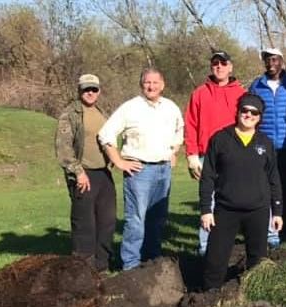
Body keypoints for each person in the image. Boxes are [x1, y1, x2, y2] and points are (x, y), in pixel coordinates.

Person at [99, 68, 184, 271]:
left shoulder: (171, 107)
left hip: (163, 171)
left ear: (162, 85)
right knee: (136, 220)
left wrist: (172, 151)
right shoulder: (130, 108)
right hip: (139, 172)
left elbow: (179, 133)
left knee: (157, 219)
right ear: (141, 84)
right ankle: (130, 265)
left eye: (155, 82)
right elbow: (106, 134)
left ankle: (152, 260)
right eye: (147, 82)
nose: (151, 86)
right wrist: (119, 161)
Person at [200, 94, 284, 290]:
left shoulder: (265, 142)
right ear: (238, 112)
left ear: (260, 117)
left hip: (258, 210)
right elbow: (208, 177)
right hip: (226, 209)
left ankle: (255, 296)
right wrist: (206, 209)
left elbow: (274, 179)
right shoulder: (220, 139)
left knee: (257, 259)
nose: (248, 115)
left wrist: (277, 211)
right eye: (244, 110)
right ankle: (209, 296)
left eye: (254, 112)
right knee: (215, 259)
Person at [185, 51, 246, 256]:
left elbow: (248, 124)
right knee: (208, 203)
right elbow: (191, 125)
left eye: (223, 63)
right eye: (215, 63)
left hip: (234, 156)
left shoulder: (241, 93)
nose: (218, 66)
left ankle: (237, 243)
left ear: (230, 67)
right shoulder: (200, 93)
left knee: (236, 199)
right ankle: (206, 248)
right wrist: (191, 155)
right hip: (206, 156)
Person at [55, 74, 116, 273]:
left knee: (107, 222)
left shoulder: (101, 112)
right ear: (79, 90)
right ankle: (83, 270)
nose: (90, 93)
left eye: (94, 89)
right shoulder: (70, 114)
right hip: (83, 174)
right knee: (84, 225)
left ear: (99, 91)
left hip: (104, 174)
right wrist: (78, 172)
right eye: (86, 89)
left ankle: (102, 266)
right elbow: (64, 149)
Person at [249, 48, 286, 247]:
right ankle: (265, 227)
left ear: (281, 62)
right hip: (264, 146)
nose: (271, 63)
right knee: (264, 188)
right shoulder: (256, 86)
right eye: (268, 60)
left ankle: (284, 226)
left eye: (275, 59)